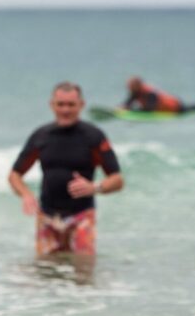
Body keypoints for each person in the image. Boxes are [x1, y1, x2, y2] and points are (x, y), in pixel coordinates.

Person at [9, 82, 123, 257]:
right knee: (45, 272)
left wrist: (94, 187)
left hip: (81, 216)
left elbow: (117, 180)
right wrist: (26, 194)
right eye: (60, 104)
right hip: (47, 217)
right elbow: (15, 175)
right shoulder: (41, 136)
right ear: (52, 105)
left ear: (81, 105)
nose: (65, 110)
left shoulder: (93, 136)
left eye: (71, 105)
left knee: (83, 271)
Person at [123, 76, 195, 114]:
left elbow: (150, 109)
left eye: (130, 85)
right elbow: (128, 103)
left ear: (137, 85)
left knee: (185, 110)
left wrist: (133, 111)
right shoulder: (135, 92)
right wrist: (123, 108)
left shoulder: (150, 93)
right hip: (164, 105)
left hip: (174, 106)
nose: (128, 87)